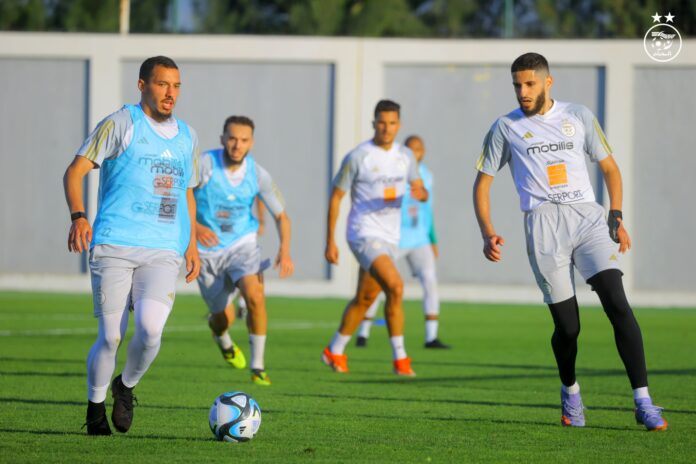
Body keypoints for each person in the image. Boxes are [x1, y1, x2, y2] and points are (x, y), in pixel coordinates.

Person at [473, 52, 667, 431]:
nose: (522, 91)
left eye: (529, 83)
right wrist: (487, 231)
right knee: (568, 328)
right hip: (543, 228)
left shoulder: (578, 116)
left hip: (587, 219)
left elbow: (609, 168)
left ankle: (643, 402)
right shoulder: (504, 128)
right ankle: (570, 391)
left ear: (548, 82)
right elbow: (482, 182)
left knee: (617, 302)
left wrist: (617, 216)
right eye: (517, 84)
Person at [63, 56, 201, 435]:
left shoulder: (188, 135)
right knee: (110, 336)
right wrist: (78, 217)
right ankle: (94, 410)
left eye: (176, 86)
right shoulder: (121, 123)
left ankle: (125, 387)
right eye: (162, 84)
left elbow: (187, 192)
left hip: (163, 249)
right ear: (142, 86)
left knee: (151, 331)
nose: (170, 93)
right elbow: (74, 171)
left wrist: (191, 244)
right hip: (115, 244)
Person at [322, 100, 428, 376]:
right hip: (363, 233)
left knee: (365, 298)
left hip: (391, 237)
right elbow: (336, 197)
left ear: (399, 124)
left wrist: (421, 193)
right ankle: (401, 359)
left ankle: (334, 350)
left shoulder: (406, 156)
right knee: (395, 286)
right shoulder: (359, 156)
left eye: (392, 123)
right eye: (381, 122)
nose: (386, 128)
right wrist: (330, 240)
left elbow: (420, 189)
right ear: (374, 123)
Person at [194, 115, 293, 387]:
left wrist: (284, 251)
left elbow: (282, 216)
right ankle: (223, 339)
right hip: (207, 251)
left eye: (244, 140)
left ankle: (258, 366)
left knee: (255, 295)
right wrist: (194, 227)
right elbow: (179, 197)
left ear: (252, 142)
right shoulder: (204, 165)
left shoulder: (258, 174)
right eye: (233, 138)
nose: (237, 145)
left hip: (242, 245)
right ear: (223, 139)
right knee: (221, 318)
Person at [355, 135, 449, 349]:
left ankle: (431, 337)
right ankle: (363, 333)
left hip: (419, 239)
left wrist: (433, 239)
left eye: (419, 148)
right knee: (377, 284)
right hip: (394, 238)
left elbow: (428, 210)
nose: (415, 152)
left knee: (430, 281)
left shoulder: (427, 176)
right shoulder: (394, 171)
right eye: (411, 149)